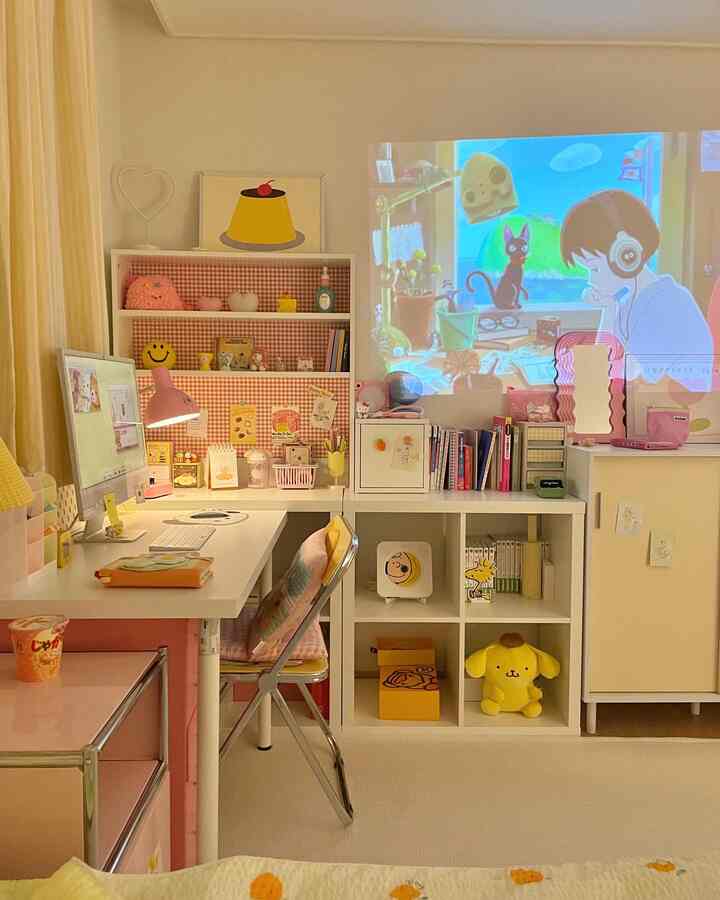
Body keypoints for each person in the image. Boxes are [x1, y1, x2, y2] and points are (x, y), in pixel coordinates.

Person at [561, 189, 713, 395]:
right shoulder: (631, 301)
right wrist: (609, 307)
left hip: (676, 411)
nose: (590, 279)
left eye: (594, 268)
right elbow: (607, 356)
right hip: (644, 403)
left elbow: (620, 375)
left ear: (626, 254)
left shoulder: (667, 303)